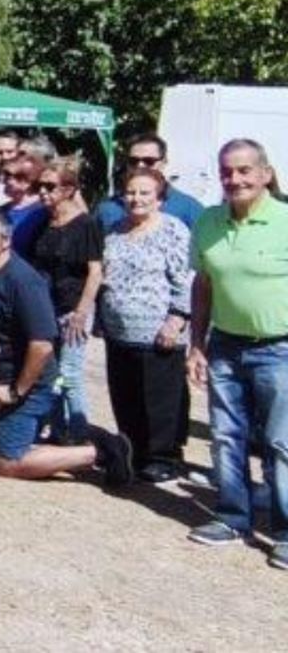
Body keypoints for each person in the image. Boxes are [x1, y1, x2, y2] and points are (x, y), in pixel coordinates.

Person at [0, 207, 131, 486]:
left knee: (7, 461)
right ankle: (78, 436)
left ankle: (102, 451)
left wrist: (16, 392)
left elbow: (42, 346)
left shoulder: (24, 282)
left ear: (6, 241)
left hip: (30, 383)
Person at [185, 139, 288, 564]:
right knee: (227, 436)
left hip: (280, 348)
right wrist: (196, 342)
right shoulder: (209, 222)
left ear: (265, 173)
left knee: (281, 443)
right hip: (225, 345)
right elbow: (203, 286)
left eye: (245, 170)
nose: (235, 179)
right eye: (227, 171)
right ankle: (232, 517)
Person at [100, 167, 193, 483]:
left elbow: (187, 279)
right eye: (130, 192)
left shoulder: (173, 230)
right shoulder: (114, 230)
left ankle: (163, 457)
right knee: (126, 396)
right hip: (119, 333)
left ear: (160, 199)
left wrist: (176, 320)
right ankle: (132, 451)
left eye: (144, 193)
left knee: (159, 401)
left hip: (159, 333)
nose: (136, 199)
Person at [30, 159, 105, 444]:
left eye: (50, 187)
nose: (43, 192)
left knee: (70, 374)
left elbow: (95, 272)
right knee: (52, 373)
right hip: (48, 307)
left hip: (74, 307)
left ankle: (80, 433)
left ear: (69, 188)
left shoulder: (86, 224)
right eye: (40, 186)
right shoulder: (46, 221)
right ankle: (59, 431)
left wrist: (81, 312)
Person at [94, 133, 205, 232]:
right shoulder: (108, 208)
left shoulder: (188, 208)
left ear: (164, 162)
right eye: (134, 161)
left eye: (149, 161)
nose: (140, 166)